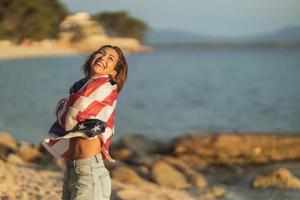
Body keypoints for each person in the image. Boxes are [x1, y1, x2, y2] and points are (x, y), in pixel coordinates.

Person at [42, 44, 128, 200]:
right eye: (101, 53)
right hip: (72, 168)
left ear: (114, 71)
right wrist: (68, 106)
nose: (103, 58)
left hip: (90, 170)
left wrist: (64, 105)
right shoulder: (81, 87)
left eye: (110, 58)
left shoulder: (106, 88)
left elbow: (68, 120)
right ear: (93, 57)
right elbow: (70, 114)